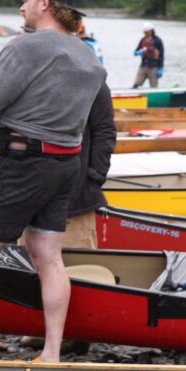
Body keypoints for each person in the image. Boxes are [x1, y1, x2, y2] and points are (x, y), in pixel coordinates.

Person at [0, 0, 106, 364]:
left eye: (25, 0)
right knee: (48, 256)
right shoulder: (89, 57)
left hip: (23, 163)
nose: (21, 7)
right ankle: (51, 352)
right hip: (65, 164)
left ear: (44, 4)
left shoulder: (27, 47)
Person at [63, 81, 116, 249]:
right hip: (32, 201)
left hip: (77, 198)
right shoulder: (35, 73)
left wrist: (95, 177)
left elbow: (105, 130)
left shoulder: (94, 81)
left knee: (79, 265)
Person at [132, 21, 164, 87]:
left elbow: (161, 56)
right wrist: (138, 52)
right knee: (136, 84)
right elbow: (135, 52)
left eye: (147, 31)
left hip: (154, 66)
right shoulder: (143, 40)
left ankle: (155, 96)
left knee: (154, 86)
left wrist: (160, 68)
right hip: (143, 65)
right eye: (145, 32)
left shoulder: (157, 40)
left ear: (151, 31)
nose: (146, 33)